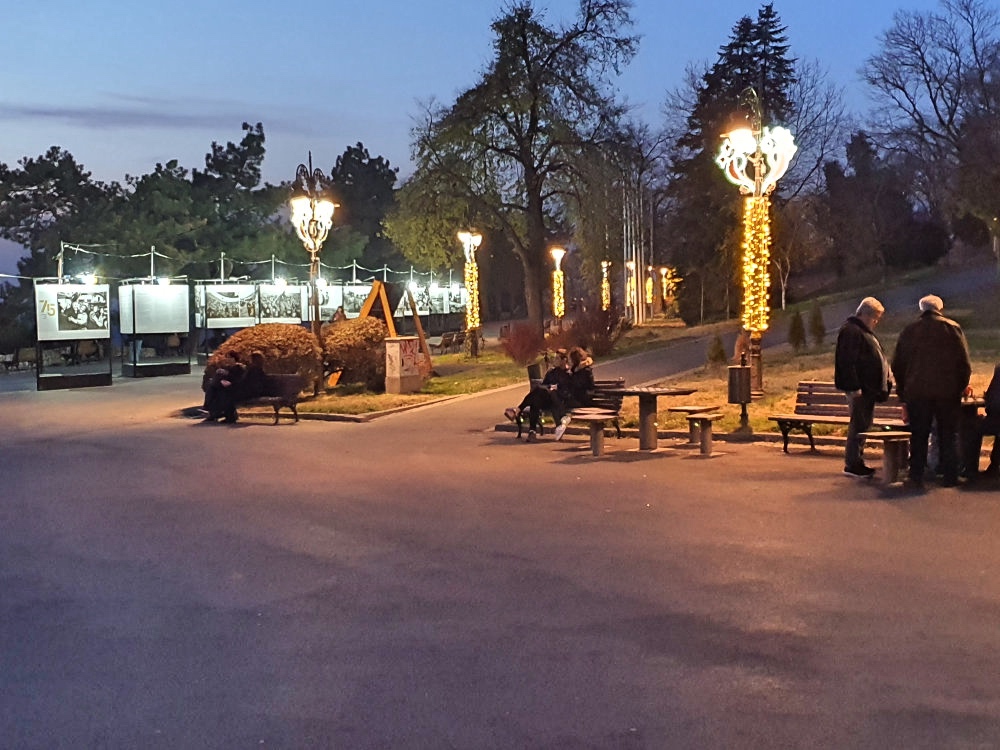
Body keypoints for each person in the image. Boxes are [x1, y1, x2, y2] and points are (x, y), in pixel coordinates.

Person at [891, 294, 972, 488]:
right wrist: (958, 388)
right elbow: (964, 364)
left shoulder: (909, 331)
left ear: (922, 309)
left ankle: (916, 476)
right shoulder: (952, 328)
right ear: (940, 309)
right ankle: (949, 476)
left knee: (919, 435)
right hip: (947, 393)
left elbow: (898, 365)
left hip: (917, 393)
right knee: (947, 435)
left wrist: (904, 393)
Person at [834, 297, 891, 478]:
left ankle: (856, 461)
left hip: (867, 388)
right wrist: (854, 386)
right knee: (859, 425)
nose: (876, 322)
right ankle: (853, 463)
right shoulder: (852, 331)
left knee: (863, 424)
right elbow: (847, 361)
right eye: (875, 318)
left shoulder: (860, 331)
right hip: (861, 389)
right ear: (865, 314)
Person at [504, 349, 572, 441]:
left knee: (536, 396)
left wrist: (554, 388)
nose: (555, 360)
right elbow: (544, 385)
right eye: (555, 358)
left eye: (557, 358)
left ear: (564, 360)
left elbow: (566, 390)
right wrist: (550, 387)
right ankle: (531, 431)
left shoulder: (568, 374)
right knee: (536, 400)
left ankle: (519, 412)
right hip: (546, 400)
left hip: (557, 401)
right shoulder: (551, 372)